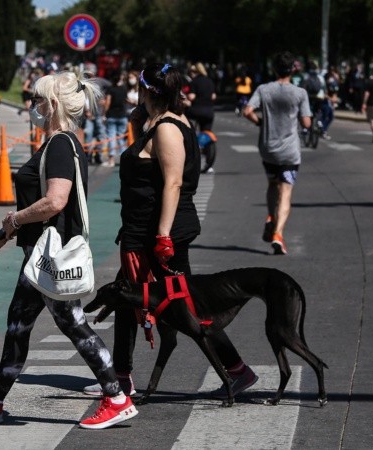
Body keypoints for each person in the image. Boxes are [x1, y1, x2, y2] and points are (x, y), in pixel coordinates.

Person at [0, 71, 138, 430]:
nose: (31, 105)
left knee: (72, 324)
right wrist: (6, 232)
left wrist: (15, 220)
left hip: (52, 255)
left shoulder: (62, 146)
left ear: (52, 105)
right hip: (40, 253)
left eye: (36, 99)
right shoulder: (57, 143)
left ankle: (116, 397)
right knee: (19, 325)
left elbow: (55, 201)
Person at [83, 63, 258, 401]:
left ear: (147, 89)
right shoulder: (161, 124)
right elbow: (149, 170)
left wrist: (162, 236)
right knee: (140, 298)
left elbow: (173, 182)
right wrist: (137, 123)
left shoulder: (167, 128)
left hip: (161, 233)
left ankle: (235, 369)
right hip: (149, 229)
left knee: (182, 307)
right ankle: (122, 374)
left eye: (139, 87)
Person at [243, 51, 312, 256]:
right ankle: (278, 234)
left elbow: (247, 111)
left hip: (268, 149)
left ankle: (271, 217)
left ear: (274, 69)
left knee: (272, 184)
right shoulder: (300, 93)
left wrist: (261, 122)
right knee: (286, 190)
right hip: (290, 152)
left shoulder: (263, 89)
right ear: (293, 69)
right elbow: (307, 123)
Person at [103, 70, 128, 167]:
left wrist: (104, 114)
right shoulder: (124, 88)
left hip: (112, 115)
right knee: (121, 138)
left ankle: (111, 160)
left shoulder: (111, 88)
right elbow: (125, 100)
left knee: (112, 138)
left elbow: (108, 102)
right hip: (122, 115)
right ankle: (124, 160)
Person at [186, 62, 216, 132]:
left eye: (192, 72)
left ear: (196, 72)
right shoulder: (209, 81)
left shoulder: (194, 82)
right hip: (209, 110)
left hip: (196, 110)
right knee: (206, 131)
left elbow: (191, 97)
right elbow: (213, 97)